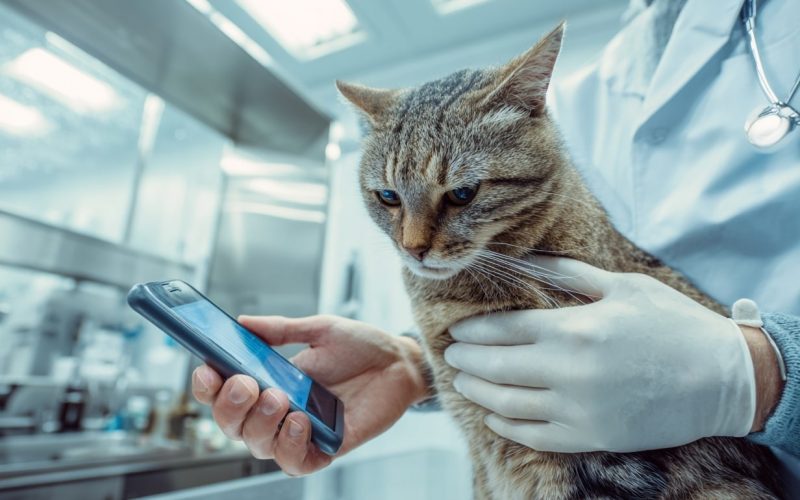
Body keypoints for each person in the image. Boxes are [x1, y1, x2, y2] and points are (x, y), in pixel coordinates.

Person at [192, 0, 800, 483]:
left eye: (457, 196)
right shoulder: (615, 68)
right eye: (389, 202)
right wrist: (414, 364)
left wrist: (764, 374)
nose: (413, 242)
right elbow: (581, 356)